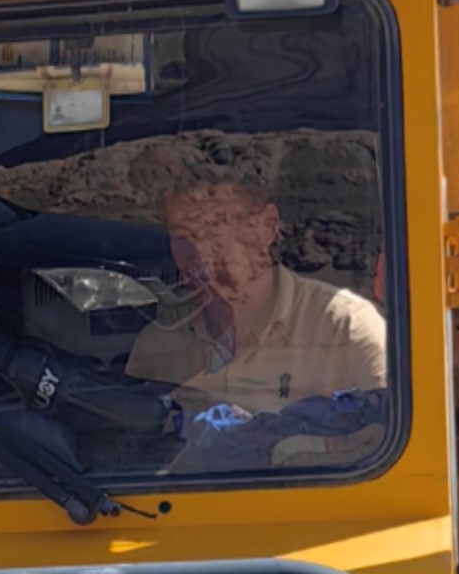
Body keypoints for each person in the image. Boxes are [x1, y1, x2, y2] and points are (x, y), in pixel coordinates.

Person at [120, 177, 387, 413]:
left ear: (266, 227)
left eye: (213, 229)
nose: (198, 252)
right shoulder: (158, 345)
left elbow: (379, 434)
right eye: (182, 238)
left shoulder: (345, 328)